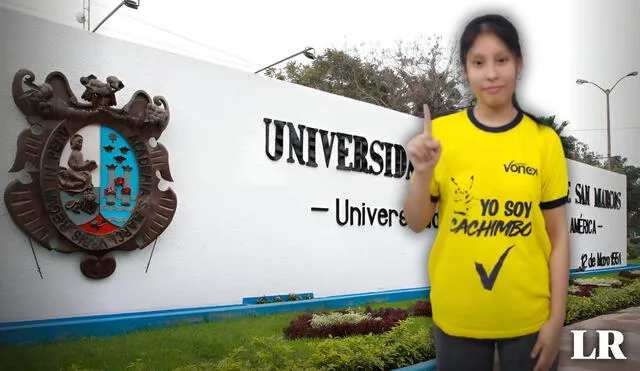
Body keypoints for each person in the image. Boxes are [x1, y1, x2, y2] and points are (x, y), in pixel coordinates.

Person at [403, 13, 570, 371]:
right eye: (478, 62)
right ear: (466, 69)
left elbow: (558, 240)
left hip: (529, 319)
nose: (491, 73)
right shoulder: (441, 136)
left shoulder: (544, 141)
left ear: (519, 64)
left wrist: (556, 320)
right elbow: (417, 222)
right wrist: (423, 173)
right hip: (457, 317)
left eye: (501, 60)